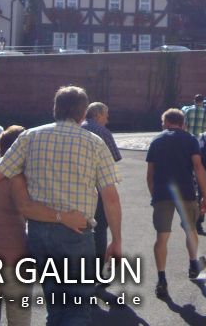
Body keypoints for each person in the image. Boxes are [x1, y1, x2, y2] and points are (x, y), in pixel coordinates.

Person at [0, 86, 122, 326]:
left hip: (39, 234)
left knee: (55, 305)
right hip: (76, 233)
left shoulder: (31, 136)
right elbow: (110, 196)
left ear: (55, 109)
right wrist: (116, 239)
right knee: (78, 307)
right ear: (82, 115)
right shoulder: (95, 143)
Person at [0, 126, 89, 326]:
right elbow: (30, 208)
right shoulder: (21, 181)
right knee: (19, 319)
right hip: (15, 259)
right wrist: (63, 217)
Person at [147, 108, 206, 299]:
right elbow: (198, 167)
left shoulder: (156, 140)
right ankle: (193, 264)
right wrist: (205, 195)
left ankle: (162, 280)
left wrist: (155, 194)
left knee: (162, 237)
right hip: (186, 192)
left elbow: (150, 174)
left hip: (162, 194)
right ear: (183, 123)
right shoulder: (190, 140)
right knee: (191, 231)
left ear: (165, 122)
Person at [81, 102, 122, 283]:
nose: (108, 118)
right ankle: (98, 271)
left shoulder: (77, 127)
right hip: (97, 189)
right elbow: (113, 160)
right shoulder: (102, 132)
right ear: (97, 115)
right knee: (99, 228)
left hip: (75, 188)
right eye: (106, 114)